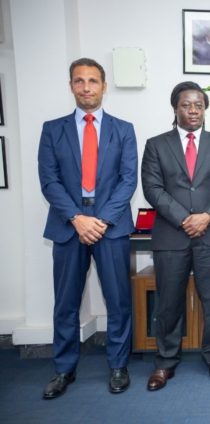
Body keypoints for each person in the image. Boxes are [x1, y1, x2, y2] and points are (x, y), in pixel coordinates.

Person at [38, 58, 138, 399]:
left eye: (93, 81)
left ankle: (118, 365)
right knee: (65, 303)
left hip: (110, 226)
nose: (86, 87)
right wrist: (77, 218)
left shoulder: (123, 129)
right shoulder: (53, 129)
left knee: (118, 301)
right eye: (79, 81)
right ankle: (64, 369)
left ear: (104, 87)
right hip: (68, 225)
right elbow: (49, 181)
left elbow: (128, 181)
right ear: (71, 86)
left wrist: (101, 220)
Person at [141, 81, 210, 391]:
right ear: (175, 108)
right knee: (168, 303)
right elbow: (152, 188)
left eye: (198, 105)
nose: (193, 110)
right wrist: (185, 219)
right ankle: (165, 362)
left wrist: (206, 216)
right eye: (186, 105)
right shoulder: (156, 145)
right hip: (171, 235)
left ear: (205, 109)